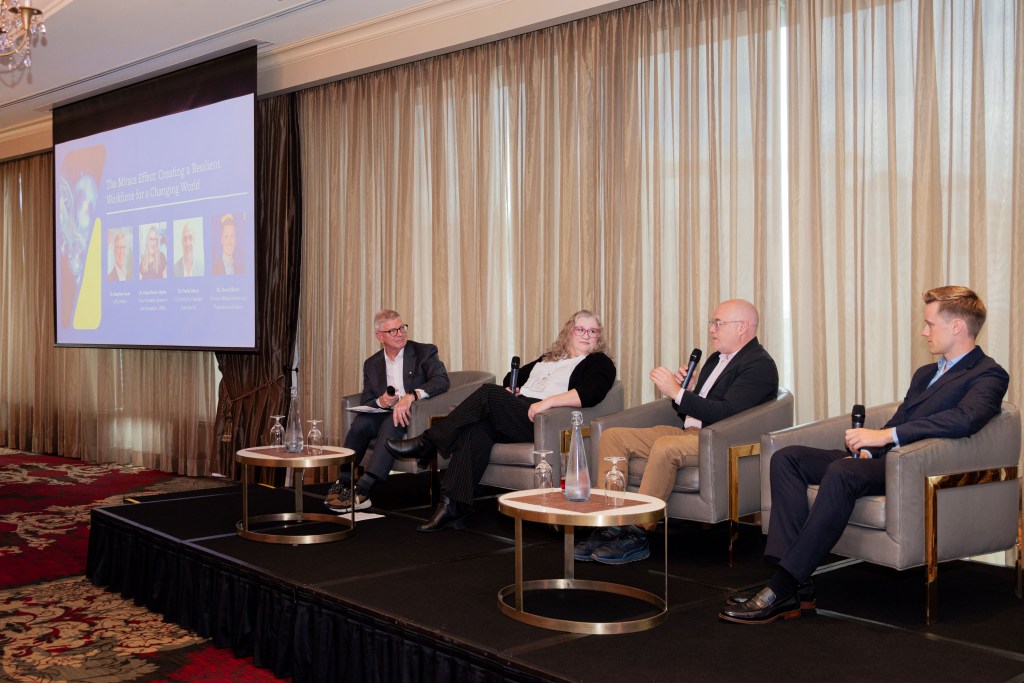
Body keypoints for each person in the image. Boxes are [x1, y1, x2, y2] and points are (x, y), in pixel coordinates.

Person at [719, 286, 1009, 625]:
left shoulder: (988, 373)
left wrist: (887, 436)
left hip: (916, 468)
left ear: (957, 326)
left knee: (842, 472)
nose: (923, 331)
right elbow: (902, 419)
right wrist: (872, 446)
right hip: (885, 461)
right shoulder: (927, 373)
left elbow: (965, 419)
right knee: (788, 458)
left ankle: (782, 586)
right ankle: (800, 585)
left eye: (930, 324)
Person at [577, 299, 779, 564]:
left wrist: (678, 392)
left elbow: (724, 414)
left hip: (716, 441)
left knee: (665, 447)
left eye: (718, 323)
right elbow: (691, 412)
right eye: (712, 323)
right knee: (613, 436)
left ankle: (638, 533)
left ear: (742, 327)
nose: (712, 330)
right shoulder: (716, 359)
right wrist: (686, 390)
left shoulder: (759, 365)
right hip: (688, 432)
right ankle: (610, 524)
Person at [386, 310, 617, 532]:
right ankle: (453, 506)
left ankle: (428, 442)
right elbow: (513, 377)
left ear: (598, 337)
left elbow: (590, 393)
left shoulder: (599, 362)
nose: (586, 335)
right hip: (518, 410)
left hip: (542, 419)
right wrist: (512, 387)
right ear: (569, 332)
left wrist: (548, 402)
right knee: (475, 429)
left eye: (592, 331)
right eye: (580, 329)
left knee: (488, 392)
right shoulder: (549, 359)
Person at [325, 310, 450, 512]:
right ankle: (344, 479)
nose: (400, 333)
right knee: (360, 423)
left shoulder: (424, 352)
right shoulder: (371, 363)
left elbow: (441, 380)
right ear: (379, 336)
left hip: (413, 414)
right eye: (392, 331)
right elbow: (367, 399)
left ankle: (364, 487)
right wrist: (382, 401)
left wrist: (411, 396)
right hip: (382, 412)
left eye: (402, 327)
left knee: (392, 422)